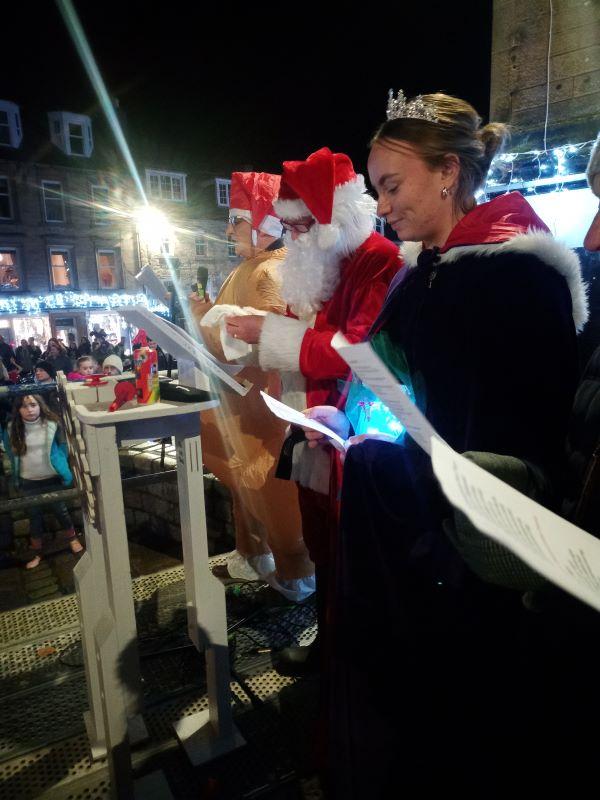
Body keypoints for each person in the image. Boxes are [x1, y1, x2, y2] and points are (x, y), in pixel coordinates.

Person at [301, 92, 587, 795]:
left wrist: (388, 455)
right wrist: (352, 417)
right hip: (428, 496)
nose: (384, 205)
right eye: (376, 190)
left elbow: (510, 437)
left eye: (392, 186)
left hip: (481, 533)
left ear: (448, 173)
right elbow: (399, 374)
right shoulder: (429, 266)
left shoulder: (515, 270)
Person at [225, 148, 400, 668]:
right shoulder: (316, 261)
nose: (294, 238)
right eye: (291, 226)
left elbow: (354, 350)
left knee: (352, 550)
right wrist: (245, 337)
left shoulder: (377, 261)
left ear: (336, 217)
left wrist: (269, 334)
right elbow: (293, 330)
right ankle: (330, 646)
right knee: (322, 542)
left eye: (304, 227)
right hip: (309, 423)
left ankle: (356, 659)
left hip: (348, 431)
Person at [189, 171, 314, 602]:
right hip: (240, 403)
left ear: (265, 222)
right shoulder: (253, 267)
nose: (229, 229)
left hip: (265, 407)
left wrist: (203, 320)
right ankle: (254, 553)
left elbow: (255, 340)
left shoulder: (274, 272)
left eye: (237, 220)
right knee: (246, 485)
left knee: (270, 485)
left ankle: (295, 569)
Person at [3, 394, 83, 569]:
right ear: (18, 410)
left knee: (61, 511)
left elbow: (62, 445)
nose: (30, 409)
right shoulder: (12, 428)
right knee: (34, 517)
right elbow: (10, 450)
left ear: (40, 405)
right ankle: (37, 552)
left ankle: (73, 539)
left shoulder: (51, 424)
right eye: (24, 406)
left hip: (51, 478)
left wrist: (59, 462)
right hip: (28, 481)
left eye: (33, 405)